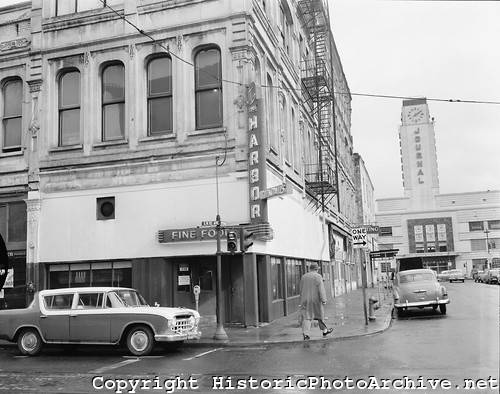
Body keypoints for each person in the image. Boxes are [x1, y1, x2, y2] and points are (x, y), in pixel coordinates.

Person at [299, 262, 333, 340]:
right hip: (315, 300)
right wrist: (324, 299)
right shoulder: (318, 276)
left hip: (305, 300)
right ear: (316, 269)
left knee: (306, 317)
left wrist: (301, 300)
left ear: (310, 269)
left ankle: (306, 334)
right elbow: (321, 289)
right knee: (320, 315)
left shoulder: (304, 277)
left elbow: (301, 289)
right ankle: (324, 330)